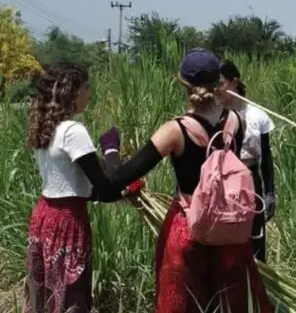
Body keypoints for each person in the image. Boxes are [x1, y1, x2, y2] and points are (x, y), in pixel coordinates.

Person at [74, 48, 273, 313]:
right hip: (229, 229)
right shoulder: (237, 121)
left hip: (190, 227)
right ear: (218, 83)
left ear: (184, 85)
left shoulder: (175, 130)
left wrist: (111, 149)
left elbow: (116, 180)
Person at [23, 62, 139, 313]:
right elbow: (107, 189)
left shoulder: (47, 127)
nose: (89, 94)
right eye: (86, 87)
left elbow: (76, 183)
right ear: (72, 92)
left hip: (44, 216)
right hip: (68, 221)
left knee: (46, 294)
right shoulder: (73, 131)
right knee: (69, 294)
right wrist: (111, 149)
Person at [220, 60, 277, 262]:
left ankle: (257, 277)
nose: (216, 89)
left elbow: (266, 158)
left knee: (255, 238)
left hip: (250, 182)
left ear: (234, 83)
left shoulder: (257, 115)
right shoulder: (214, 115)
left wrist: (270, 192)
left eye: (221, 83)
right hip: (222, 183)